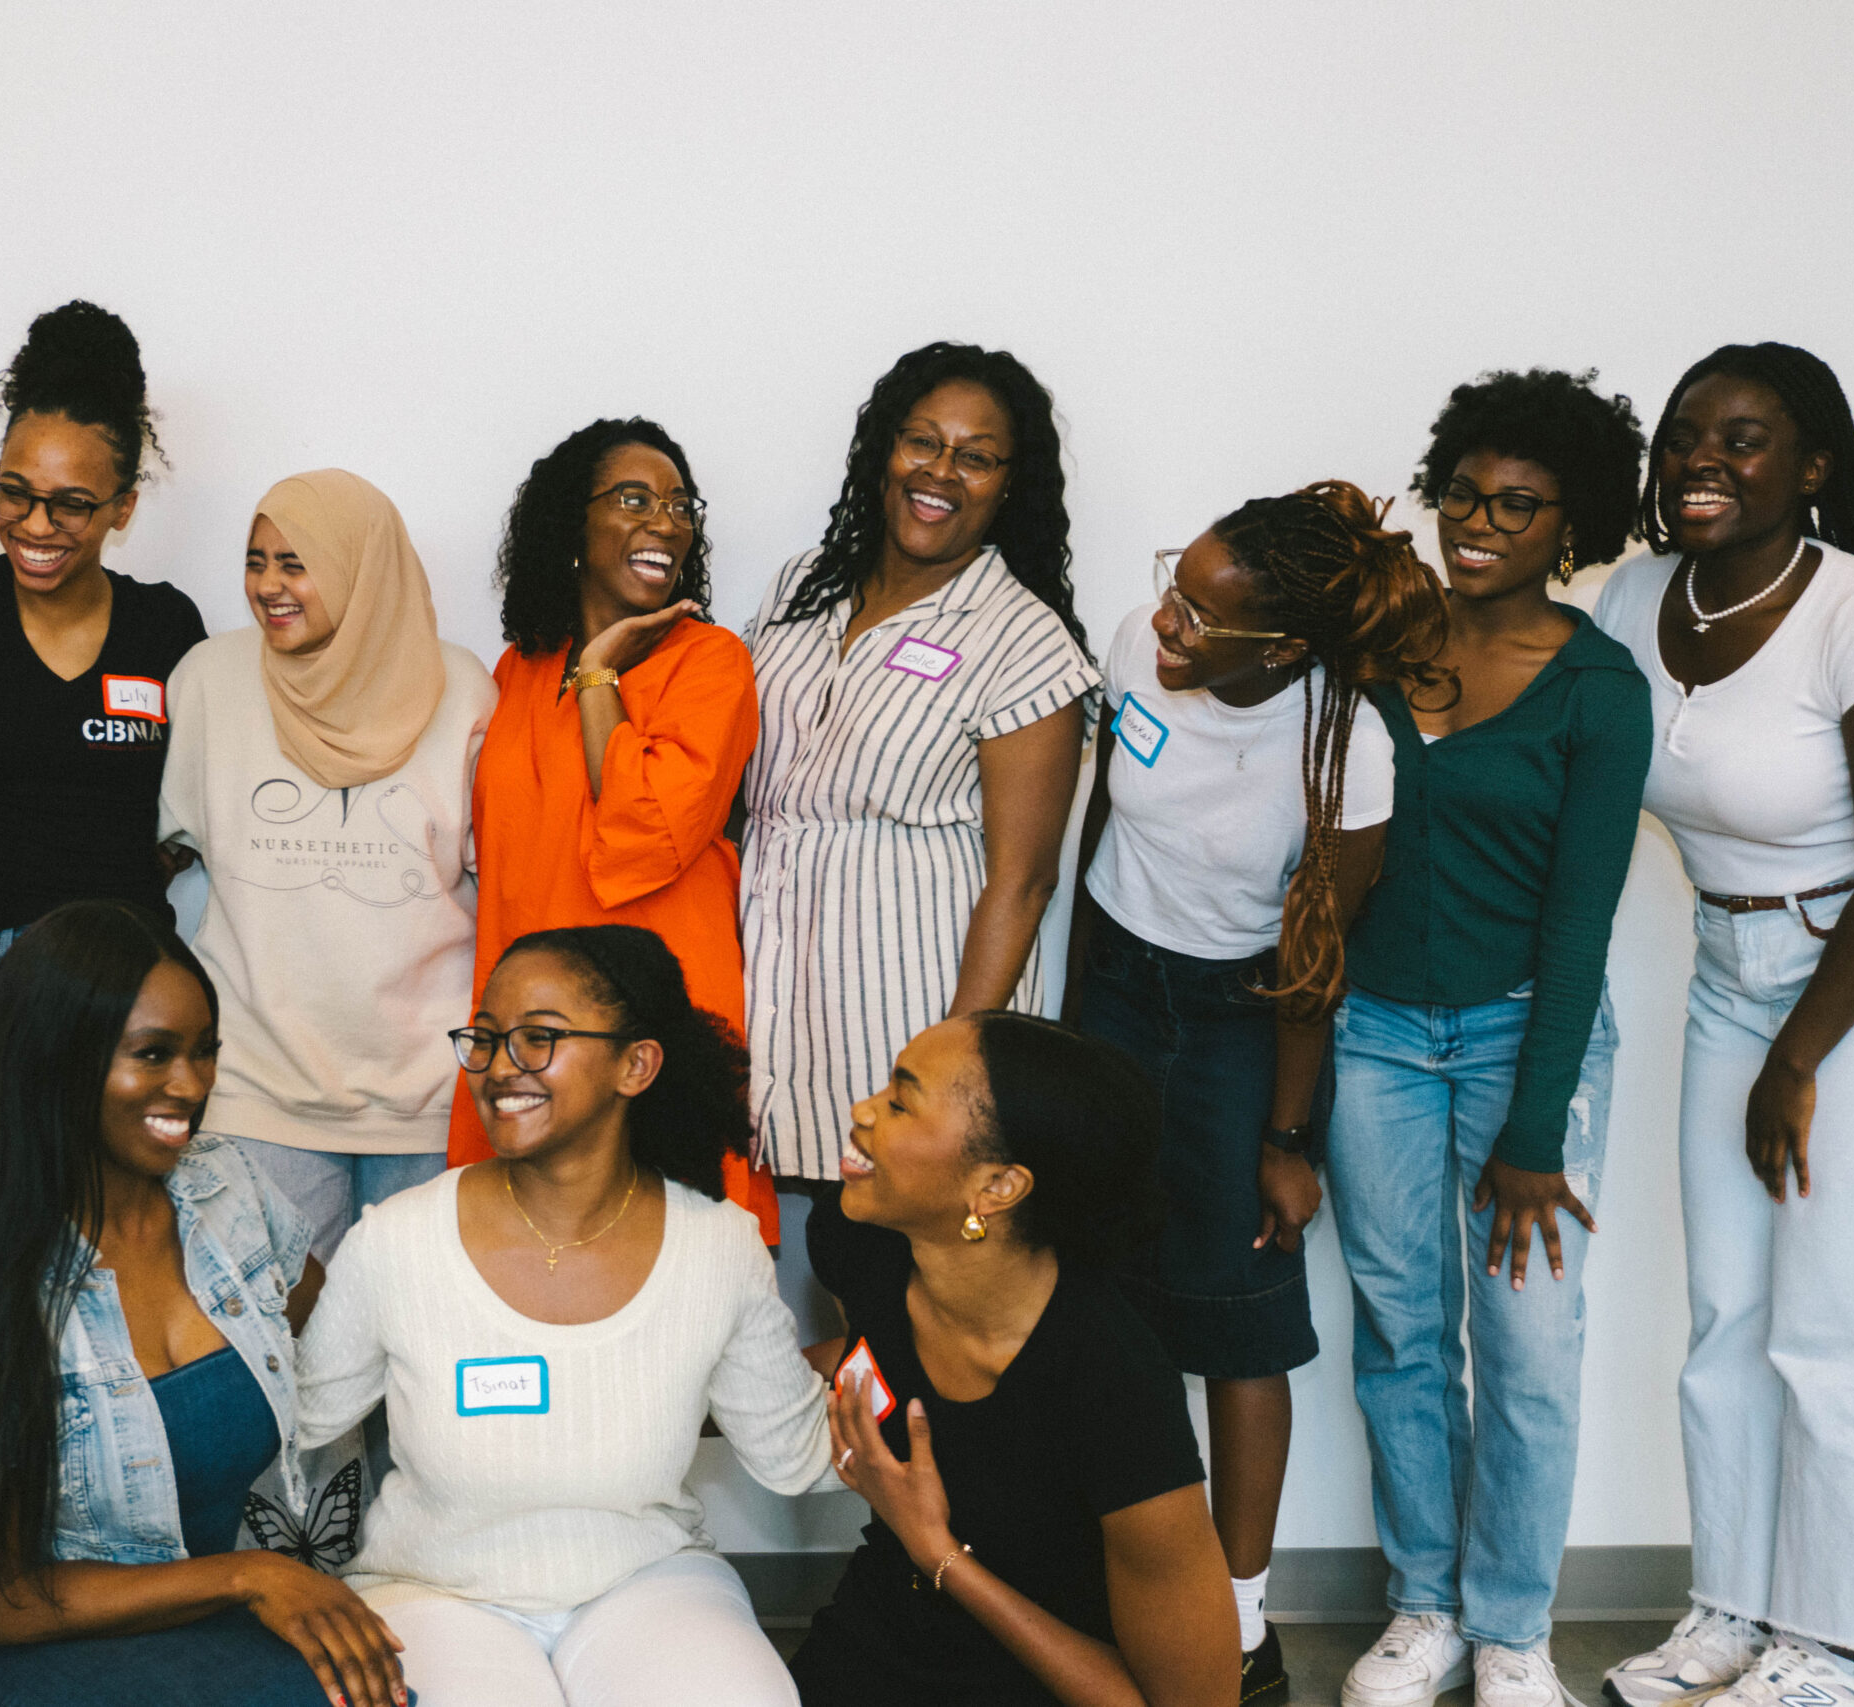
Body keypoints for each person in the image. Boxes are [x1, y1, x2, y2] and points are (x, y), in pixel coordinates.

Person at [1061, 479, 1448, 1703]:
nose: (1163, 620)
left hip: (1239, 1020)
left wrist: (1287, 1135)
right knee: (1097, 1286)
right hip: (1114, 987)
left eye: (1196, 613)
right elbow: (1094, 839)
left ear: (1278, 645)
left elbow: (1311, 961)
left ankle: (1234, 1617)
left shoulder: (1349, 748)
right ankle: (1103, 1564)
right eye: (1174, 589)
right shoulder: (1138, 641)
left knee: (1238, 1311)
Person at [1592, 344, 1854, 1707]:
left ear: (1813, 467)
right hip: (1731, 962)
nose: (1703, 462)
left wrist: (1802, 1055)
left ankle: (1845, 1642)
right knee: (1727, 1308)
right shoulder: (1633, 596)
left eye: (1743, 438)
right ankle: (1733, 1606)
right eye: (1684, 437)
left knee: (1838, 1322)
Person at [1325, 372, 1651, 1707]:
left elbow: (1580, 928)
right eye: (1464, 491)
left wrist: (1534, 1131)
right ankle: (1425, 1605)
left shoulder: (1599, 688)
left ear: (1568, 528)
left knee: (1527, 1346)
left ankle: (1514, 1623)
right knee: (1402, 1329)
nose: (1478, 521)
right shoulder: (1380, 650)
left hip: (1534, 1034)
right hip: (1374, 1040)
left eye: (1518, 505)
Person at [0, 900, 409, 1707]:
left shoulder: (229, 1186)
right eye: (154, 1054)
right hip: (32, 1652)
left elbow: (331, 1330)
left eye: (204, 1052)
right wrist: (246, 1574)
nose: (191, 1085)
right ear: (57, 1058)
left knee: (377, 1693)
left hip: (210, 1617)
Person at [300, 924, 831, 1706]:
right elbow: (294, 1428)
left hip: (650, 1582)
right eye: (485, 1038)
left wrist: (935, 1371)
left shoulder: (718, 1246)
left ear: (636, 1064)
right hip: (431, 1592)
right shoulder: (399, 1239)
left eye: (538, 1037)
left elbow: (795, 1454)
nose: (499, 1067)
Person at [792, 1013, 1238, 1707]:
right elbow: (864, 1355)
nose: (863, 1110)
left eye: (901, 1101)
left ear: (997, 1187)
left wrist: (935, 1549)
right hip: (877, 1644)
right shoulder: (861, 1240)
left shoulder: (1115, 1385)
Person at [740, 342, 1095, 1203]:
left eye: (976, 457)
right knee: (808, 1255)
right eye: (922, 441)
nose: (941, 471)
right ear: (883, 451)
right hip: (779, 982)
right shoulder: (800, 588)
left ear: (1011, 483)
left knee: (901, 1260)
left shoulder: (1024, 640)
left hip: (908, 1000)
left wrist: (949, 1070)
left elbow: (1023, 881)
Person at [448, 419, 775, 1237]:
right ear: (572, 523)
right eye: (634, 498)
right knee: (527, 1269)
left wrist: (599, 674)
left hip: (653, 1030)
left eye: (678, 504)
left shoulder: (711, 661)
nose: (664, 520)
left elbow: (646, 833)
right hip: (530, 1026)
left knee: (675, 1277)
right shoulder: (519, 666)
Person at [162, 469, 492, 1260]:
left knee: (417, 1357)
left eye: (296, 562)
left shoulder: (465, 690)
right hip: (257, 1089)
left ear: (361, 565)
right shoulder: (209, 679)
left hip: (424, 1093)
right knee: (275, 1351)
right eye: (256, 560)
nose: (269, 586)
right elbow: (174, 855)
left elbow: (492, 873)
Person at [0, 300, 207, 1075]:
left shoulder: (164, 626)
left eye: (71, 504)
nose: (35, 524)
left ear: (123, 507)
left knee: (117, 1197)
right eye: (14, 492)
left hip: (128, 982)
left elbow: (190, 812)